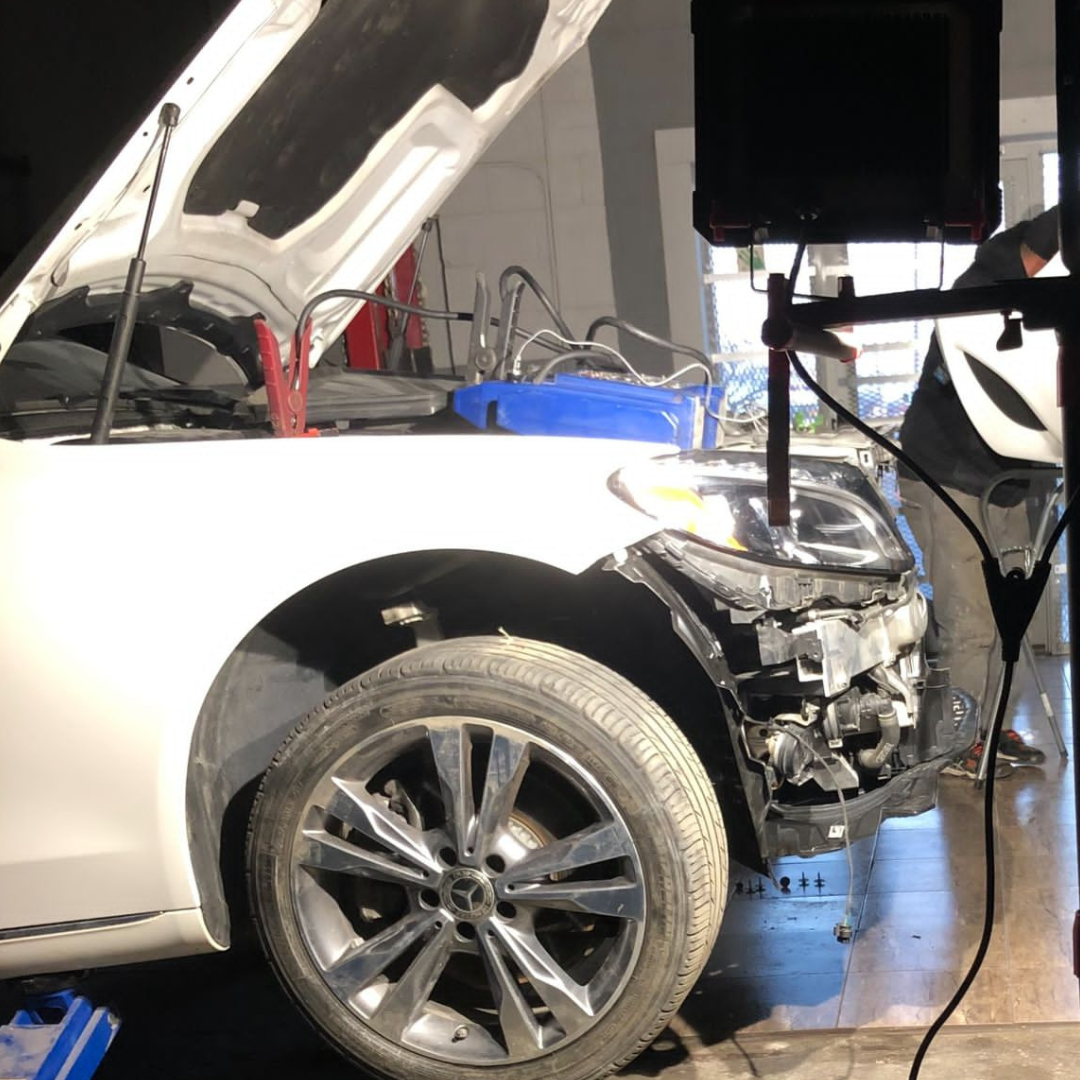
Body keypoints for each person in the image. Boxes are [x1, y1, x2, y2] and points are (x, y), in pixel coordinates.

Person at [898, 206, 1060, 777]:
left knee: (1014, 613)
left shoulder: (1046, 301)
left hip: (1006, 481)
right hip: (946, 473)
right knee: (971, 621)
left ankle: (993, 726)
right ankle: (957, 743)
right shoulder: (981, 294)